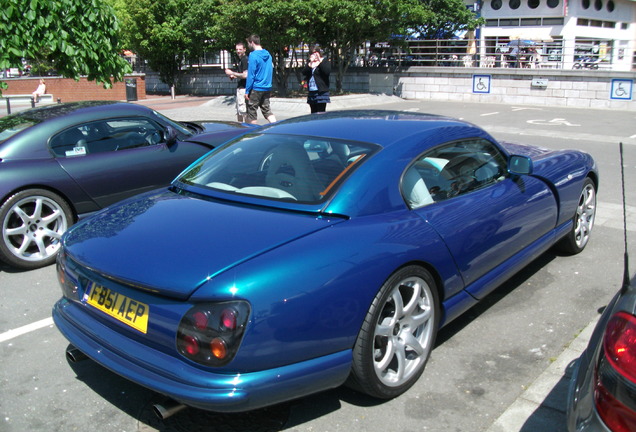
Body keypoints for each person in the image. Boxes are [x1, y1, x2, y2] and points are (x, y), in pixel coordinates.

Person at [244, 34, 276, 124]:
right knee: (267, 110)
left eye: (248, 43)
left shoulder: (253, 55)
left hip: (256, 87)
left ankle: (253, 133)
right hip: (267, 86)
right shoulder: (268, 54)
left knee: (252, 112)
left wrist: (247, 90)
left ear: (252, 42)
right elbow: (270, 70)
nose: (248, 46)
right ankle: (275, 126)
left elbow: (251, 75)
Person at [224, 42, 249, 122]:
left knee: (243, 111)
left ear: (244, 50)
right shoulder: (241, 60)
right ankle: (240, 128)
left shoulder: (245, 60)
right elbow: (241, 74)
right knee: (239, 111)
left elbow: (245, 75)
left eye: (240, 49)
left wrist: (231, 73)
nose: (238, 51)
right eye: (237, 49)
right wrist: (234, 76)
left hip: (243, 88)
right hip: (240, 87)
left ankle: (248, 129)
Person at [302, 46, 331, 114]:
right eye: (312, 53)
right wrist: (310, 63)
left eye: (315, 53)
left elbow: (327, 72)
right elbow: (304, 72)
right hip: (312, 91)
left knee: (321, 112)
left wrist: (320, 61)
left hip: (321, 91)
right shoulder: (310, 63)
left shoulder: (324, 61)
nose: (313, 55)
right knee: (313, 113)